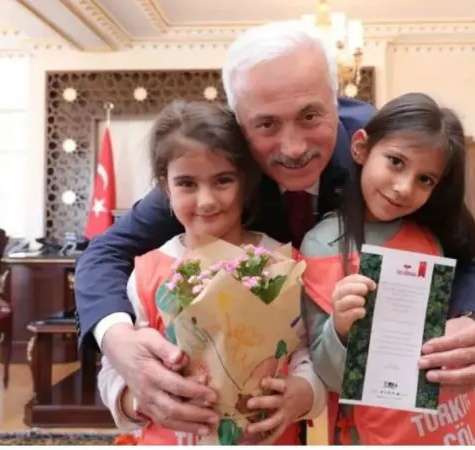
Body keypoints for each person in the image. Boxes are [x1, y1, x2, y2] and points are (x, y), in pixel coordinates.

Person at [74, 20, 475, 435]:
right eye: (266, 124)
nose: (294, 149)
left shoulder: (387, 153)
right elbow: (105, 252)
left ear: (338, 102)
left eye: (310, 115)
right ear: (239, 124)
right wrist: (118, 341)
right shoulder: (214, 163)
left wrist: (471, 318)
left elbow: (462, 252)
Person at [97, 100, 326, 445]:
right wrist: (138, 400)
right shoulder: (148, 271)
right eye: (187, 183)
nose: (206, 201)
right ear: (165, 187)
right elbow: (115, 366)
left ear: (245, 182)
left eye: (222, 180)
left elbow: (308, 349)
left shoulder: (282, 263)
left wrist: (304, 392)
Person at [300, 92, 475, 445]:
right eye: (396, 162)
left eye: (425, 179)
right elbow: (327, 374)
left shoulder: (430, 235)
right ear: (360, 148)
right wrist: (340, 327)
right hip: (373, 432)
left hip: (453, 424)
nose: (404, 188)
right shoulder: (322, 245)